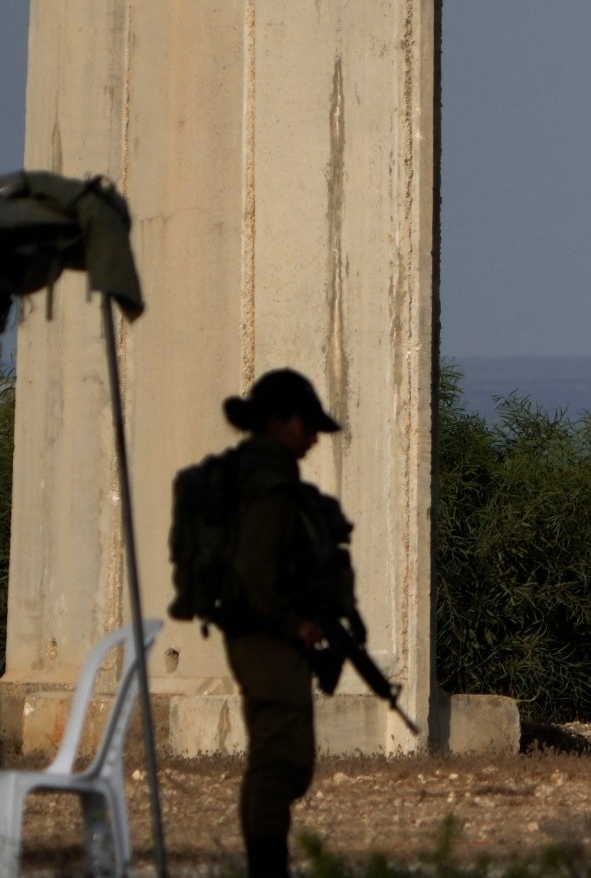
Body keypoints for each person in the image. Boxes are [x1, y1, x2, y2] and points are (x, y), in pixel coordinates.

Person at [217, 369, 345, 878]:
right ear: (277, 422)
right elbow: (254, 571)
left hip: (261, 632)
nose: (314, 437)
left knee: (282, 760)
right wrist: (293, 625)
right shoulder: (268, 485)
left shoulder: (262, 475)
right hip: (264, 635)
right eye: (304, 424)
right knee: (279, 763)